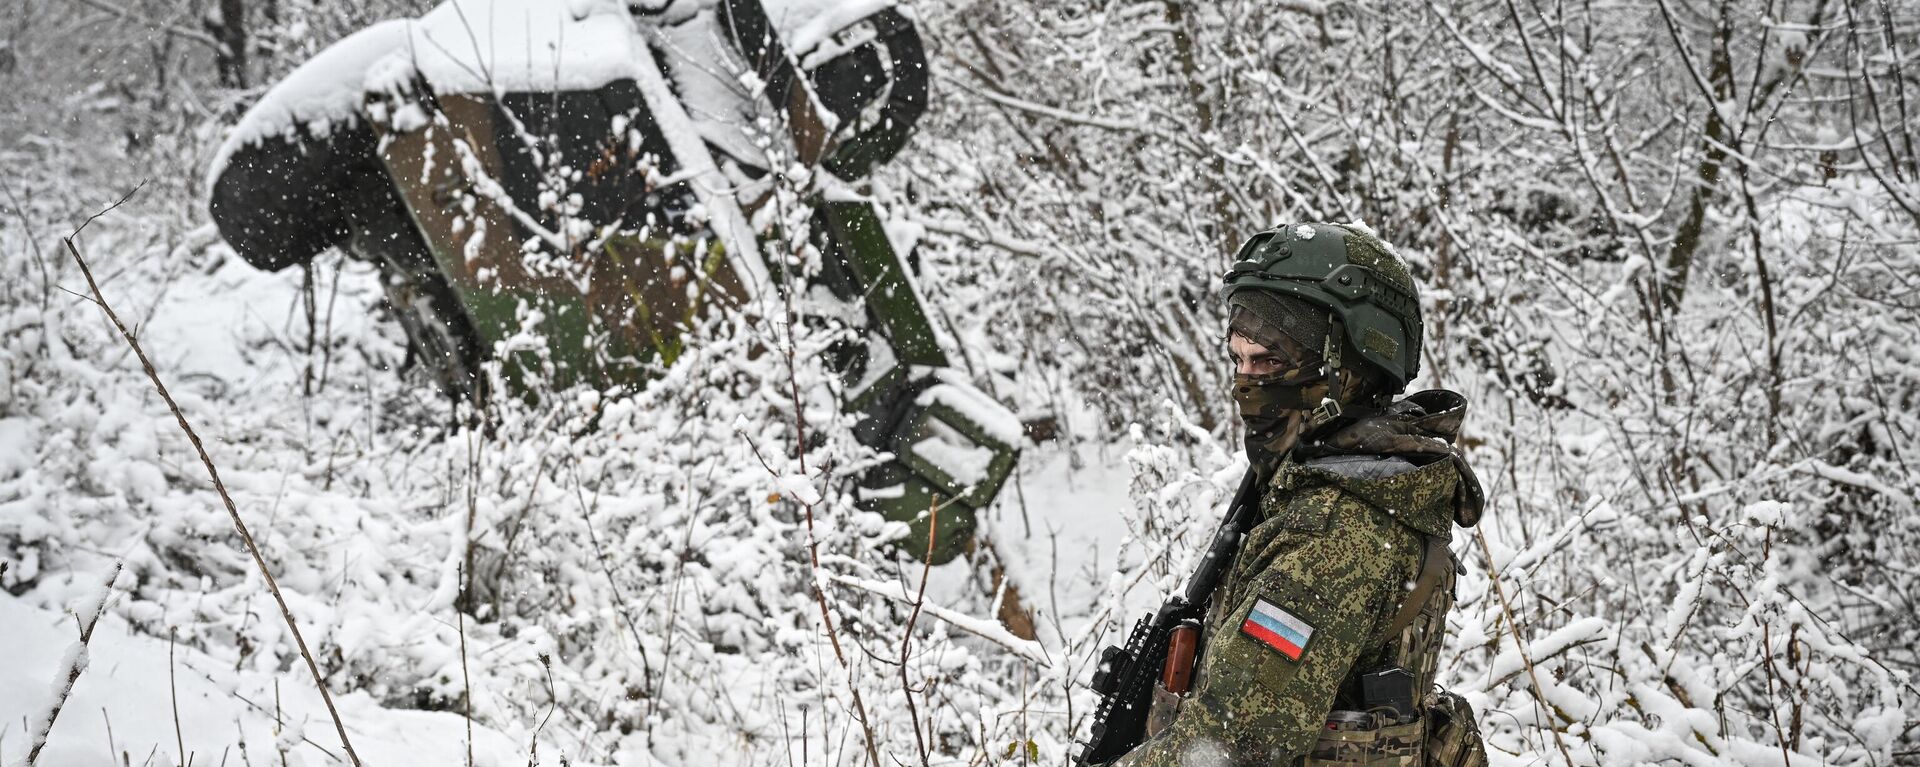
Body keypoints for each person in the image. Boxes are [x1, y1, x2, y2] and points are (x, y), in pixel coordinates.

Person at [1117, 222, 1489, 766]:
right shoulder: (1358, 486)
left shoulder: (1335, 533)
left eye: (1269, 361)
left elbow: (1224, 749)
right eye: (1238, 360)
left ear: (1351, 364)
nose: (1247, 384)